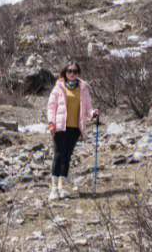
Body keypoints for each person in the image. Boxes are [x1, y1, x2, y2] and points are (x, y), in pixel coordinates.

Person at [45, 60, 98, 201]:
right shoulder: (58, 88)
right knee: (58, 155)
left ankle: (62, 187)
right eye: (69, 71)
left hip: (75, 127)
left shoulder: (83, 88)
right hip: (60, 126)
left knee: (67, 156)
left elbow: (87, 108)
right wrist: (51, 123)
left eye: (75, 71)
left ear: (78, 73)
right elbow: (51, 107)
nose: (72, 74)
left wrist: (93, 113)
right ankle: (54, 188)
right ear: (65, 72)